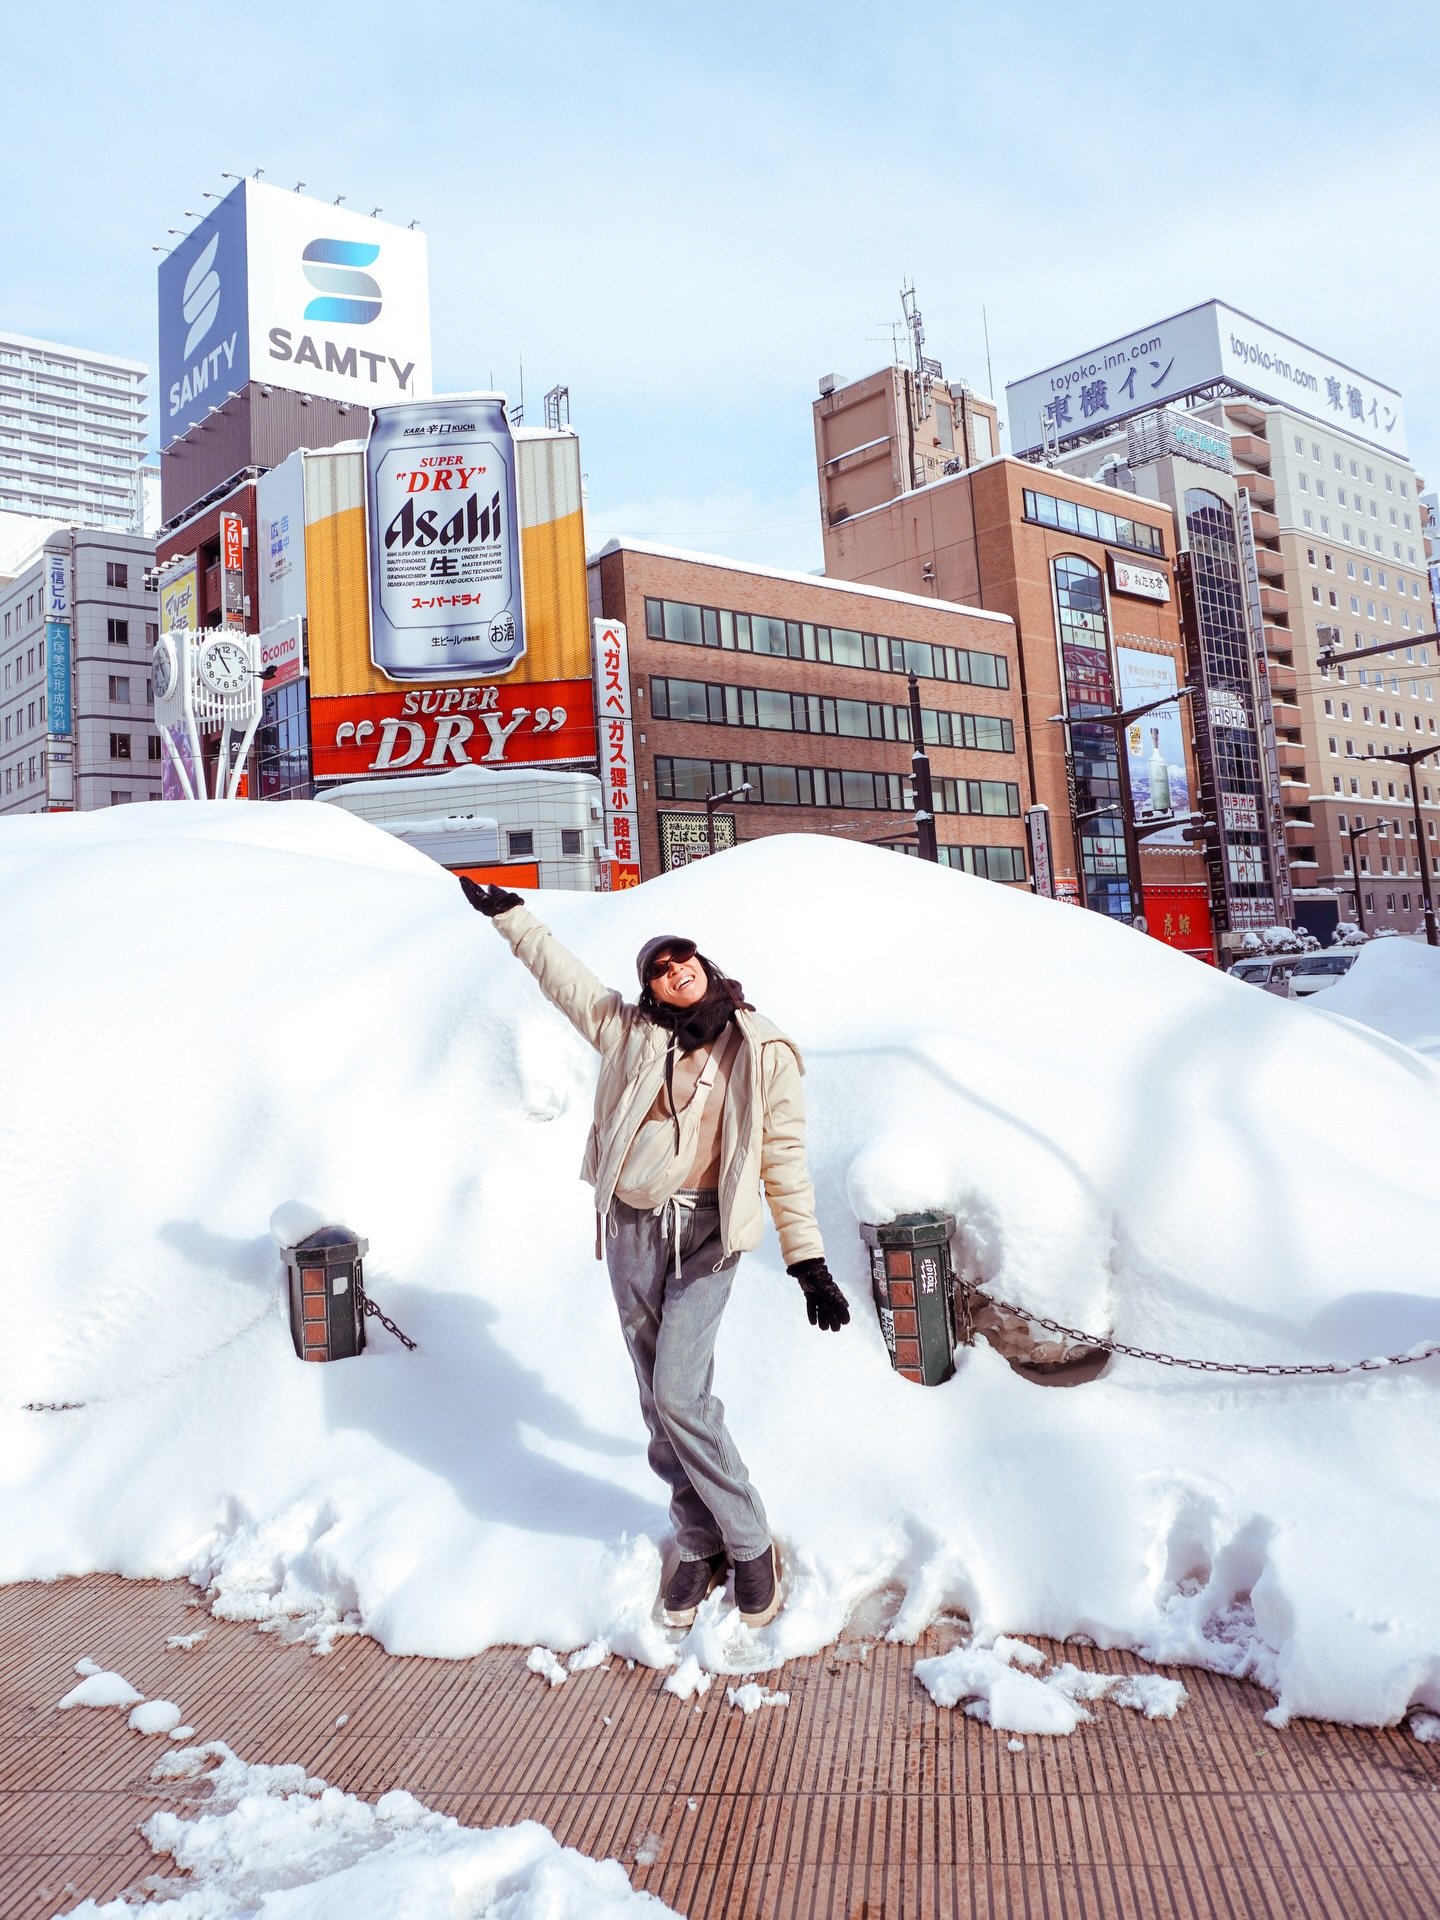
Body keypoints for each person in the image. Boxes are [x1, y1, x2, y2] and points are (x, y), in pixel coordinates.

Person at [460, 877, 849, 1630]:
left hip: (709, 1235)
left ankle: (749, 1541)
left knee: (680, 1391)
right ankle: (697, 1539)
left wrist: (808, 1262)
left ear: (705, 965)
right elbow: (561, 975)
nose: (678, 971)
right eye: (661, 968)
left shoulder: (761, 1049)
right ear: (652, 990)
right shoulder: (629, 1032)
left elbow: (784, 1159)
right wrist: (511, 915)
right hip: (635, 1227)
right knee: (654, 1395)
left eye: (685, 960)